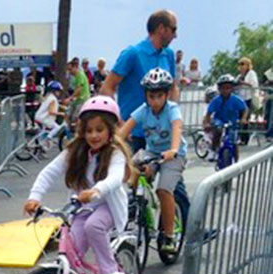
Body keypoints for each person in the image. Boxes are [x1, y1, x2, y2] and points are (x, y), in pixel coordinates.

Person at [24, 96, 132, 274]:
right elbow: (49, 172)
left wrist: (96, 190)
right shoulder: (76, 151)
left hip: (107, 206)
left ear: (110, 131)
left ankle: (110, 271)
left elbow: (115, 178)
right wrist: (34, 197)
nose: (94, 135)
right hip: (82, 208)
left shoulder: (115, 153)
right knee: (72, 248)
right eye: (89, 130)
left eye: (100, 130)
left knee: (94, 226)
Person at [119, 68, 186, 253]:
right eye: (151, 96)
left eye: (159, 96)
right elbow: (124, 130)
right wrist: (110, 146)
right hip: (152, 152)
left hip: (174, 155)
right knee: (131, 173)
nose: (154, 101)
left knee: (164, 189)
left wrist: (173, 149)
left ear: (166, 95)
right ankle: (138, 208)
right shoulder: (144, 110)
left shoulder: (172, 109)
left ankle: (170, 236)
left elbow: (177, 128)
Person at [101, 9, 179, 153]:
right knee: (130, 174)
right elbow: (107, 87)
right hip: (133, 135)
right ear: (161, 29)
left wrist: (173, 116)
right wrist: (120, 122)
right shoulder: (133, 54)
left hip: (160, 136)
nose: (175, 35)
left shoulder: (169, 55)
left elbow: (173, 88)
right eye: (173, 29)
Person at [203, 74, 248, 161]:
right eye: (223, 88)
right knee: (218, 130)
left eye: (228, 88)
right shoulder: (216, 100)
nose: (225, 91)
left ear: (232, 89)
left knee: (234, 141)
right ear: (219, 89)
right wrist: (207, 123)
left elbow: (245, 109)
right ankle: (213, 149)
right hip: (219, 120)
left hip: (233, 121)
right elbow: (209, 113)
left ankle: (236, 160)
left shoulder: (236, 99)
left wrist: (243, 118)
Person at [236, 57, 259, 145]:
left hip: (248, 98)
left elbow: (254, 85)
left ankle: (245, 139)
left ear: (247, 65)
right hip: (240, 98)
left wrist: (244, 83)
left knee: (245, 118)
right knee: (239, 118)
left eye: (243, 64)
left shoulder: (251, 73)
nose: (241, 66)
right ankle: (239, 137)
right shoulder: (239, 75)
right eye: (240, 64)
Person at [66, 58, 91, 123]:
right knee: (69, 114)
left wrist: (70, 98)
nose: (69, 72)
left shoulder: (80, 75)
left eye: (70, 69)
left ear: (75, 67)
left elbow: (79, 89)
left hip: (83, 99)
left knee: (76, 117)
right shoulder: (75, 77)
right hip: (77, 99)